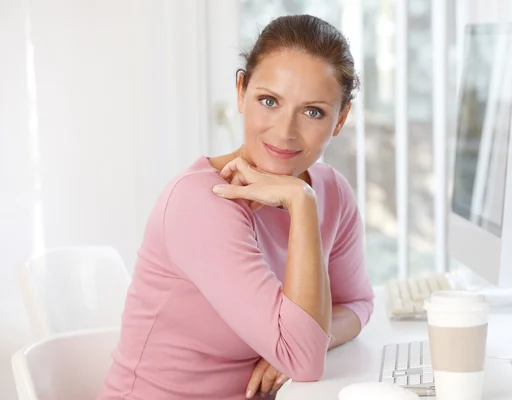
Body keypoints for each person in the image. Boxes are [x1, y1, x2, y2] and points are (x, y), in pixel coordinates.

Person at [99, 14, 374, 400]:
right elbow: (303, 359)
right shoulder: (202, 204)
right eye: (269, 101)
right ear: (241, 91)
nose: (285, 131)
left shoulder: (333, 192)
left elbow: (357, 304)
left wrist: (308, 339)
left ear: (340, 119)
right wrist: (301, 202)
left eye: (313, 111)